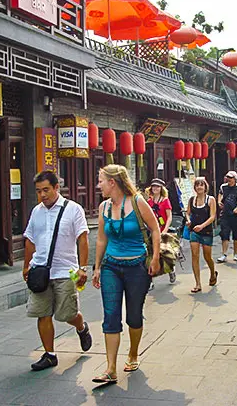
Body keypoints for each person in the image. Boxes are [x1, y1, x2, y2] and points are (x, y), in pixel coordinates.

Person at [92, 164, 161, 384]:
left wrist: (156, 257)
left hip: (137, 267)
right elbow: (102, 238)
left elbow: (155, 229)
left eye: (101, 180)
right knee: (110, 315)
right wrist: (97, 267)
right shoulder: (103, 207)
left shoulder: (138, 202)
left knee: (133, 315)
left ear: (113, 182)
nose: (98, 184)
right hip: (111, 266)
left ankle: (133, 353)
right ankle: (111, 368)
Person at [23, 170, 92, 371]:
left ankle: (81, 327)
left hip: (66, 271)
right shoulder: (37, 211)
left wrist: (83, 268)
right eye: (38, 191)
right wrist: (26, 265)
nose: (42, 195)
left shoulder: (74, 209)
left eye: (46, 190)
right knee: (42, 313)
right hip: (40, 271)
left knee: (67, 314)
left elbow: (83, 239)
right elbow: (30, 240)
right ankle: (50, 354)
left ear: (56, 188)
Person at [186, 177, 217, 293]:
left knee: (207, 256)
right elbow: (187, 213)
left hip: (206, 231)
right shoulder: (191, 200)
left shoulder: (211, 200)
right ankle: (198, 283)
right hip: (194, 231)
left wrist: (202, 226)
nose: (199, 187)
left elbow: (212, 216)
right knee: (194, 255)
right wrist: (188, 220)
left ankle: (213, 273)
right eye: (197, 185)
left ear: (205, 187)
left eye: (201, 185)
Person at [145, 178, 176, 289]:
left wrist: (165, 230)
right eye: (153, 186)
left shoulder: (165, 200)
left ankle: (171, 270)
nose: (155, 188)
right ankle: (150, 280)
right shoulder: (149, 202)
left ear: (161, 188)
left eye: (157, 186)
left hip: (162, 230)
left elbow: (169, 217)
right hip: (151, 231)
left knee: (164, 254)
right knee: (150, 255)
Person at [216, 171, 237, 263]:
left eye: (230, 178)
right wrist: (219, 202)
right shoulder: (223, 187)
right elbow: (220, 194)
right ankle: (224, 254)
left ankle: (235, 252)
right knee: (224, 233)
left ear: (235, 179)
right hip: (225, 213)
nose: (228, 180)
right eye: (227, 178)